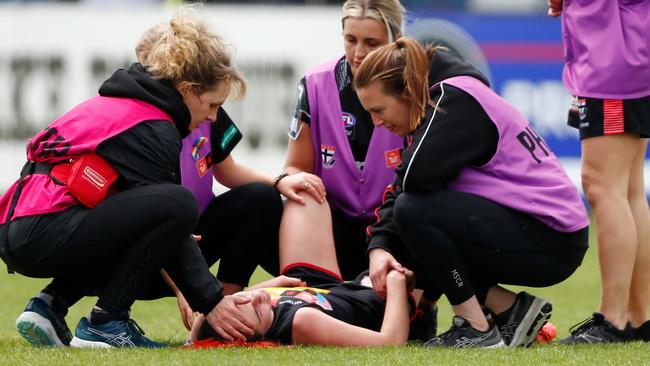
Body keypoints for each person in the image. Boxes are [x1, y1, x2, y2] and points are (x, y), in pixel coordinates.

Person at [0, 7, 277, 349]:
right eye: (212, 105)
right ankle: (107, 322)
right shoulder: (152, 127)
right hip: (40, 228)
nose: (212, 116)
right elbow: (171, 219)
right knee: (177, 204)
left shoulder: (135, 105)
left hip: (29, 225)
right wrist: (210, 300)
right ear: (187, 89)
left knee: (159, 209)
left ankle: (49, 307)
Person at [353, 37, 590, 348]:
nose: (377, 122)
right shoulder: (444, 98)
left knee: (414, 213)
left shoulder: (452, 101)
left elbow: (410, 181)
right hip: (547, 232)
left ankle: (476, 328)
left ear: (407, 92)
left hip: (552, 238)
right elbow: (408, 184)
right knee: (415, 219)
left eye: (379, 109)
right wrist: (380, 246)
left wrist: (388, 244)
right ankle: (510, 310)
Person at [133, 21, 325, 332]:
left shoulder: (205, 107)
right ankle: (103, 313)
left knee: (261, 199)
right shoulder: (146, 126)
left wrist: (279, 182)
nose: (213, 114)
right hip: (153, 256)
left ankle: (227, 306)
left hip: (193, 238)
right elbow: (143, 221)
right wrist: (184, 289)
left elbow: (227, 169)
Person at [280, 0, 438, 340]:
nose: (358, 53)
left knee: (425, 206)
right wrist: (291, 180)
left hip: (393, 229)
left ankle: (420, 305)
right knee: (285, 197)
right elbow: (294, 165)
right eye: (351, 39)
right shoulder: (316, 83)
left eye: (371, 43)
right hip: (334, 230)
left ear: (395, 39)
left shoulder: (414, 89)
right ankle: (308, 299)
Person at [187, 192, 415, 346]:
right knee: (411, 209)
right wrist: (397, 282)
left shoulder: (257, 312)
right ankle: (426, 307)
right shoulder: (303, 322)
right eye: (256, 311)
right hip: (386, 299)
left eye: (241, 300)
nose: (255, 295)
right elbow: (389, 342)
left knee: (305, 194)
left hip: (324, 290)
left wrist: (194, 337)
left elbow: (221, 310)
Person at [548, 0, 650, 344]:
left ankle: (614, 319)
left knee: (605, 187)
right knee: (627, 188)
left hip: (613, 59)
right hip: (628, 51)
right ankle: (639, 316)